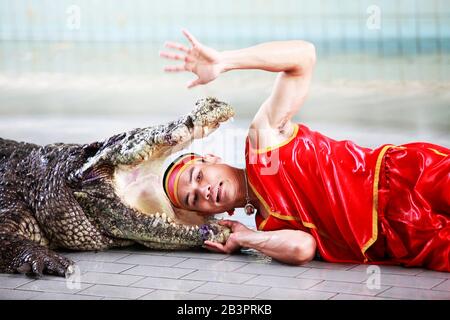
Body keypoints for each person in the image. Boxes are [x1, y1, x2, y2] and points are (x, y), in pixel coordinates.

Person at [159, 29, 450, 272]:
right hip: (400, 237)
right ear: (211, 211)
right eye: (194, 199)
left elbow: (303, 57)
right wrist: (247, 238)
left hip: (407, 178)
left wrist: (225, 61)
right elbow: (303, 248)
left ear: (212, 159)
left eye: (198, 177)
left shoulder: (263, 146)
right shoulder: (267, 227)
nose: (203, 191)